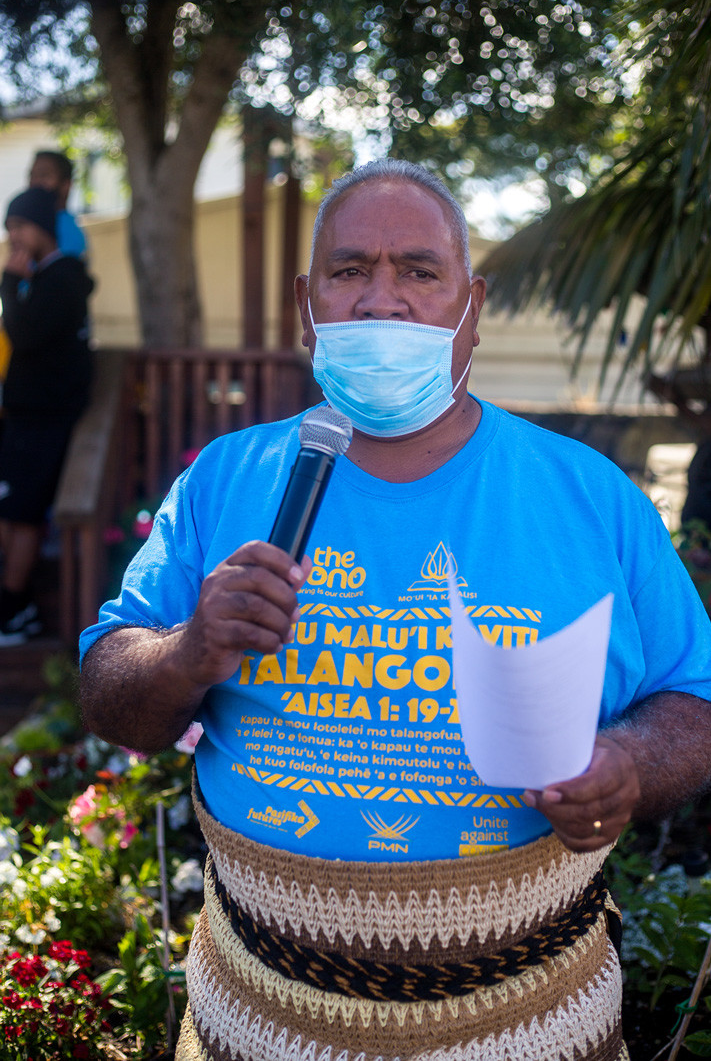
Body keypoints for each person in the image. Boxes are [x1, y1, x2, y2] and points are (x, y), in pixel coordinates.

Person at [80, 160, 711, 1061]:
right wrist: (186, 652)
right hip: (259, 1015)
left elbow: (696, 697)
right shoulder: (227, 479)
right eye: (349, 271)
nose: (383, 301)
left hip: (528, 1019)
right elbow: (111, 695)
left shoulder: (589, 496)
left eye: (419, 271)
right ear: (308, 302)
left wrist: (629, 764)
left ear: (471, 305)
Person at [0, 186, 94, 642]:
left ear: (40, 227)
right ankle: (14, 606)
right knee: (13, 510)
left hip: (44, 416)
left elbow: (27, 333)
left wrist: (6, 283)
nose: (14, 236)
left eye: (19, 226)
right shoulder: (43, 276)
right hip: (24, 416)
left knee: (23, 513)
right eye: (9, 228)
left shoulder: (64, 276)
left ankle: (14, 608)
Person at [29, 150, 87, 260]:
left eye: (44, 175)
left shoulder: (68, 234)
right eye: (32, 175)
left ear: (66, 184)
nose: (34, 182)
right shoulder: (37, 225)